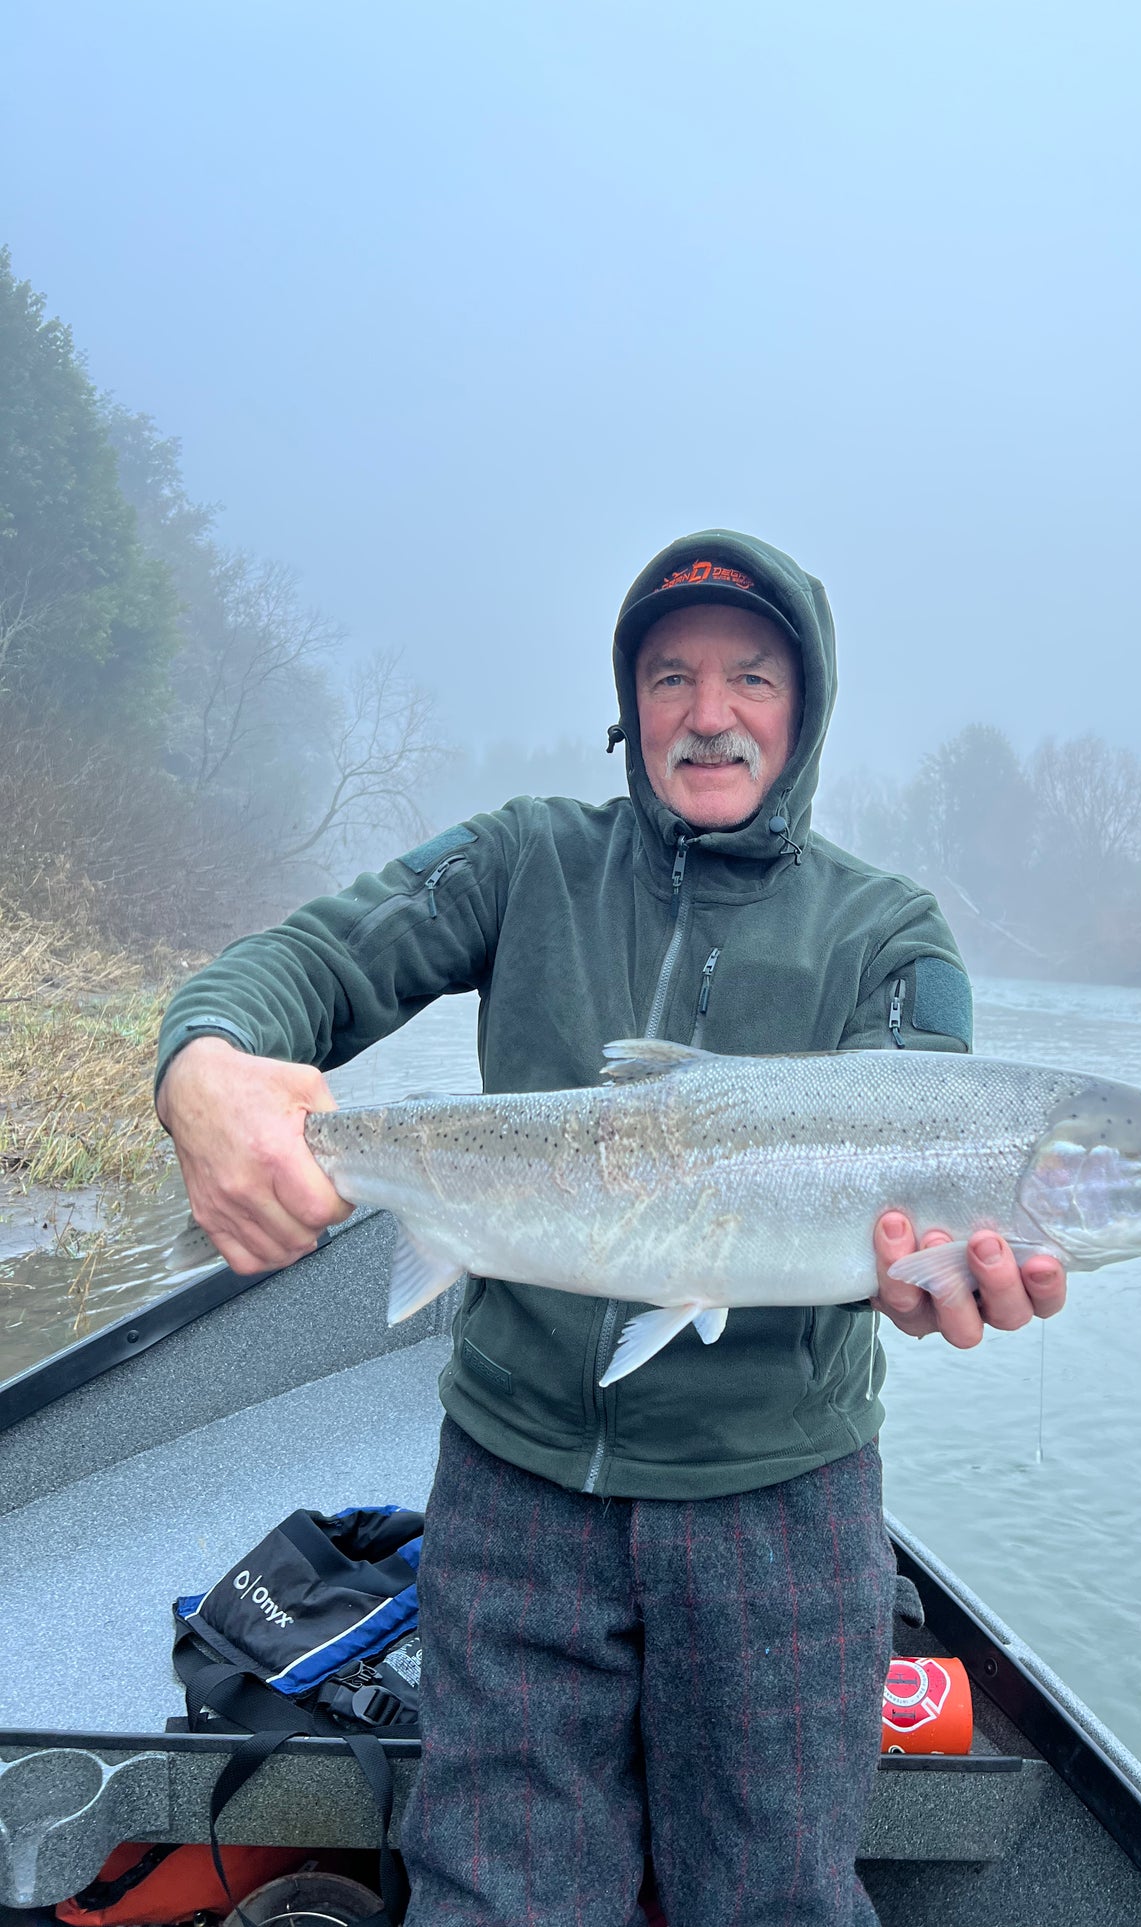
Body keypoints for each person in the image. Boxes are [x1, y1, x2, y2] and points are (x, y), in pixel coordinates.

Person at [154, 531, 1067, 1927]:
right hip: (514, 1484)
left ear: (803, 708)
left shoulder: (891, 935)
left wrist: (939, 1274)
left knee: (773, 1899)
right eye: (670, 677)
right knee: (497, 1896)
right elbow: (303, 964)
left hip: (784, 1502)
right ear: (629, 705)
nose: (708, 713)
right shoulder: (522, 860)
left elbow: (927, 1129)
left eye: (750, 676)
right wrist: (204, 1061)